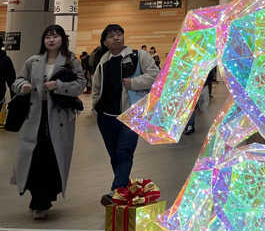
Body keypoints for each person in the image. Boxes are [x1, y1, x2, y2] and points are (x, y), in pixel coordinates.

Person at [9, 24, 85, 219]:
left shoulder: (71, 61)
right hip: (34, 117)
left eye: (55, 36)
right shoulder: (33, 61)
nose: (51, 40)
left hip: (58, 118)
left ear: (62, 40)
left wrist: (58, 85)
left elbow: (80, 85)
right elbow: (17, 80)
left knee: (52, 157)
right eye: (48, 37)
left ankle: (45, 199)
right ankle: (38, 199)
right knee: (34, 157)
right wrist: (23, 86)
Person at [92, 24, 157, 202]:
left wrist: (134, 83)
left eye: (119, 34)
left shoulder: (138, 56)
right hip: (106, 117)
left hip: (132, 114)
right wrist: (95, 107)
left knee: (124, 152)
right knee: (115, 156)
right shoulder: (102, 62)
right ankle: (124, 189)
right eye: (111, 35)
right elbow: (96, 87)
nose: (117, 38)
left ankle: (116, 191)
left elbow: (156, 76)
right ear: (105, 42)